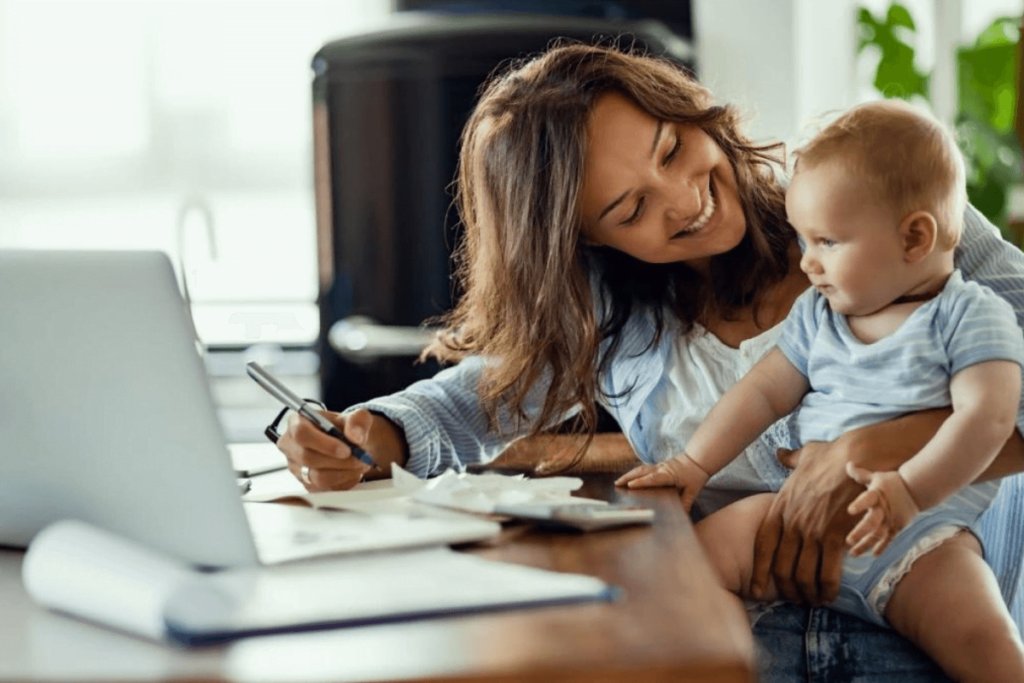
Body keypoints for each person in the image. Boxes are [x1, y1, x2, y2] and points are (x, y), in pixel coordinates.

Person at [274, 43, 1024, 680]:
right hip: (745, 634)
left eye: (672, 148)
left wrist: (871, 446)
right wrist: (371, 433)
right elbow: (470, 402)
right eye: (630, 209)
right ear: (590, 240)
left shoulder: (874, 208)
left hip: (926, 624)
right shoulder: (611, 311)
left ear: (689, 109)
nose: (685, 200)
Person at [615, 99, 1024, 682]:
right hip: (787, 518)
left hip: (922, 538)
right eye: (803, 241)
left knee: (987, 642)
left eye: (826, 242)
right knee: (684, 568)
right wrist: (692, 462)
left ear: (914, 238)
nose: (806, 263)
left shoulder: (970, 317)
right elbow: (761, 393)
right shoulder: (820, 316)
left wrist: (907, 490)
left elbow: (987, 419)